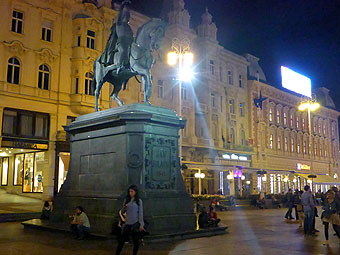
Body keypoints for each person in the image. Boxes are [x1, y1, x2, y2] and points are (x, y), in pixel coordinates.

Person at [115, 185, 144, 255]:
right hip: (127, 222)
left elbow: (140, 213)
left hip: (135, 222)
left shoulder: (139, 201)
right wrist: (124, 209)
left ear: (135, 192)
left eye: (132, 191)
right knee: (121, 240)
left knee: (135, 241)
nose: (130, 193)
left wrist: (141, 224)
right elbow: (121, 211)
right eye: (129, 191)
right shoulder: (127, 200)